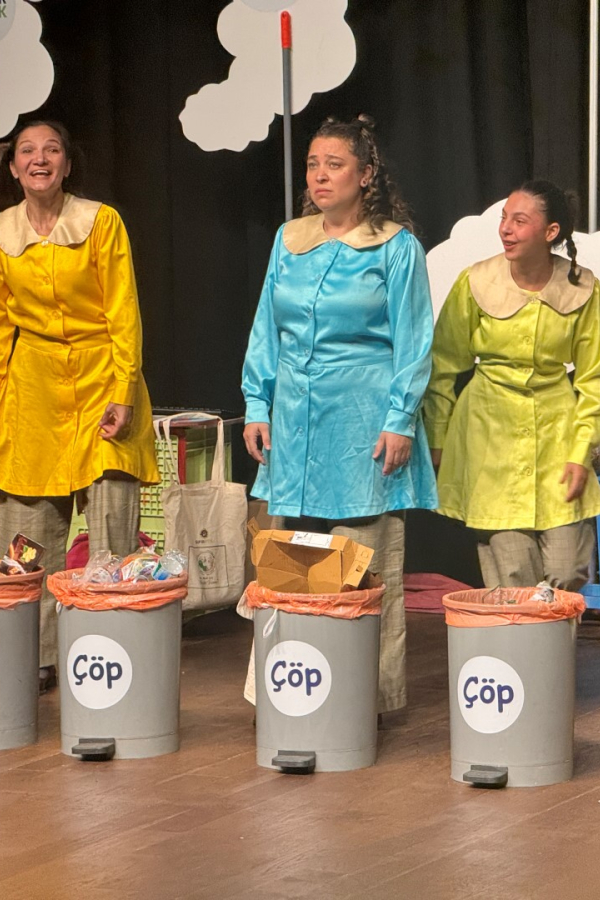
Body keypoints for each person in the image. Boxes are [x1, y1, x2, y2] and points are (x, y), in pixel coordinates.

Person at [242, 115, 437, 715]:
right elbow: (266, 328)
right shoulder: (289, 239)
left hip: (362, 419)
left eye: (335, 164)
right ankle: (290, 687)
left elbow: (414, 340)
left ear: (367, 174)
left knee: (365, 563)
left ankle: (367, 699)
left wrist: (400, 419)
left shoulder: (396, 247)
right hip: (295, 422)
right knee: (288, 558)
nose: (320, 176)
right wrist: (256, 402)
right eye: (312, 165)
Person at [0, 121, 159, 692]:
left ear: (67, 165)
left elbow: (123, 311)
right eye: (27, 151)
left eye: (51, 150)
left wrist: (124, 390)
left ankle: (114, 646)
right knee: (25, 534)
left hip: (102, 379)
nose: (40, 159)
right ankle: (35, 655)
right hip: (31, 389)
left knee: (112, 527)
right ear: (13, 167)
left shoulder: (100, 222)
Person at [424, 180, 600, 590]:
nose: (506, 229)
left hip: (556, 434)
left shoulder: (582, 288)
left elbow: (597, 377)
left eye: (519, 220)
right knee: (513, 575)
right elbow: (442, 364)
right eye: (504, 218)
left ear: (551, 231)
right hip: (489, 435)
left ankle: (551, 633)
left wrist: (582, 449)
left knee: (568, 569)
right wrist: (438, 436)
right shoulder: (477, 281)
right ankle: (524, 635)